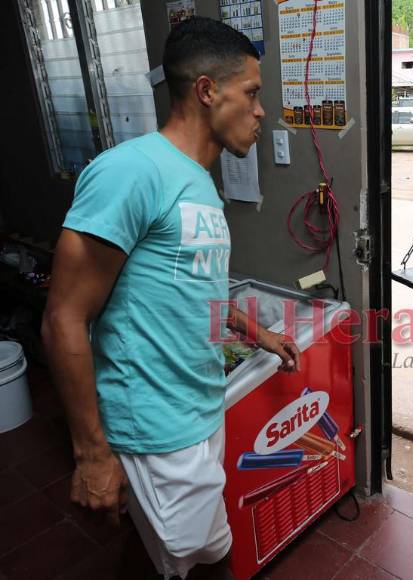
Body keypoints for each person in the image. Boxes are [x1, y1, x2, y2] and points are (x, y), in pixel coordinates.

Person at [41, 17, 299, 580]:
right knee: (210, 559)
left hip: (197, 407)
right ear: (207, 90)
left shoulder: (199, 182)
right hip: (155, 424)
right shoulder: (129, 172)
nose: (261, 111)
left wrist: (260, 334)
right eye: (252, 93)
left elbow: (195, 290)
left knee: (171, 554)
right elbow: (63, 316)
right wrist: (92, 454)